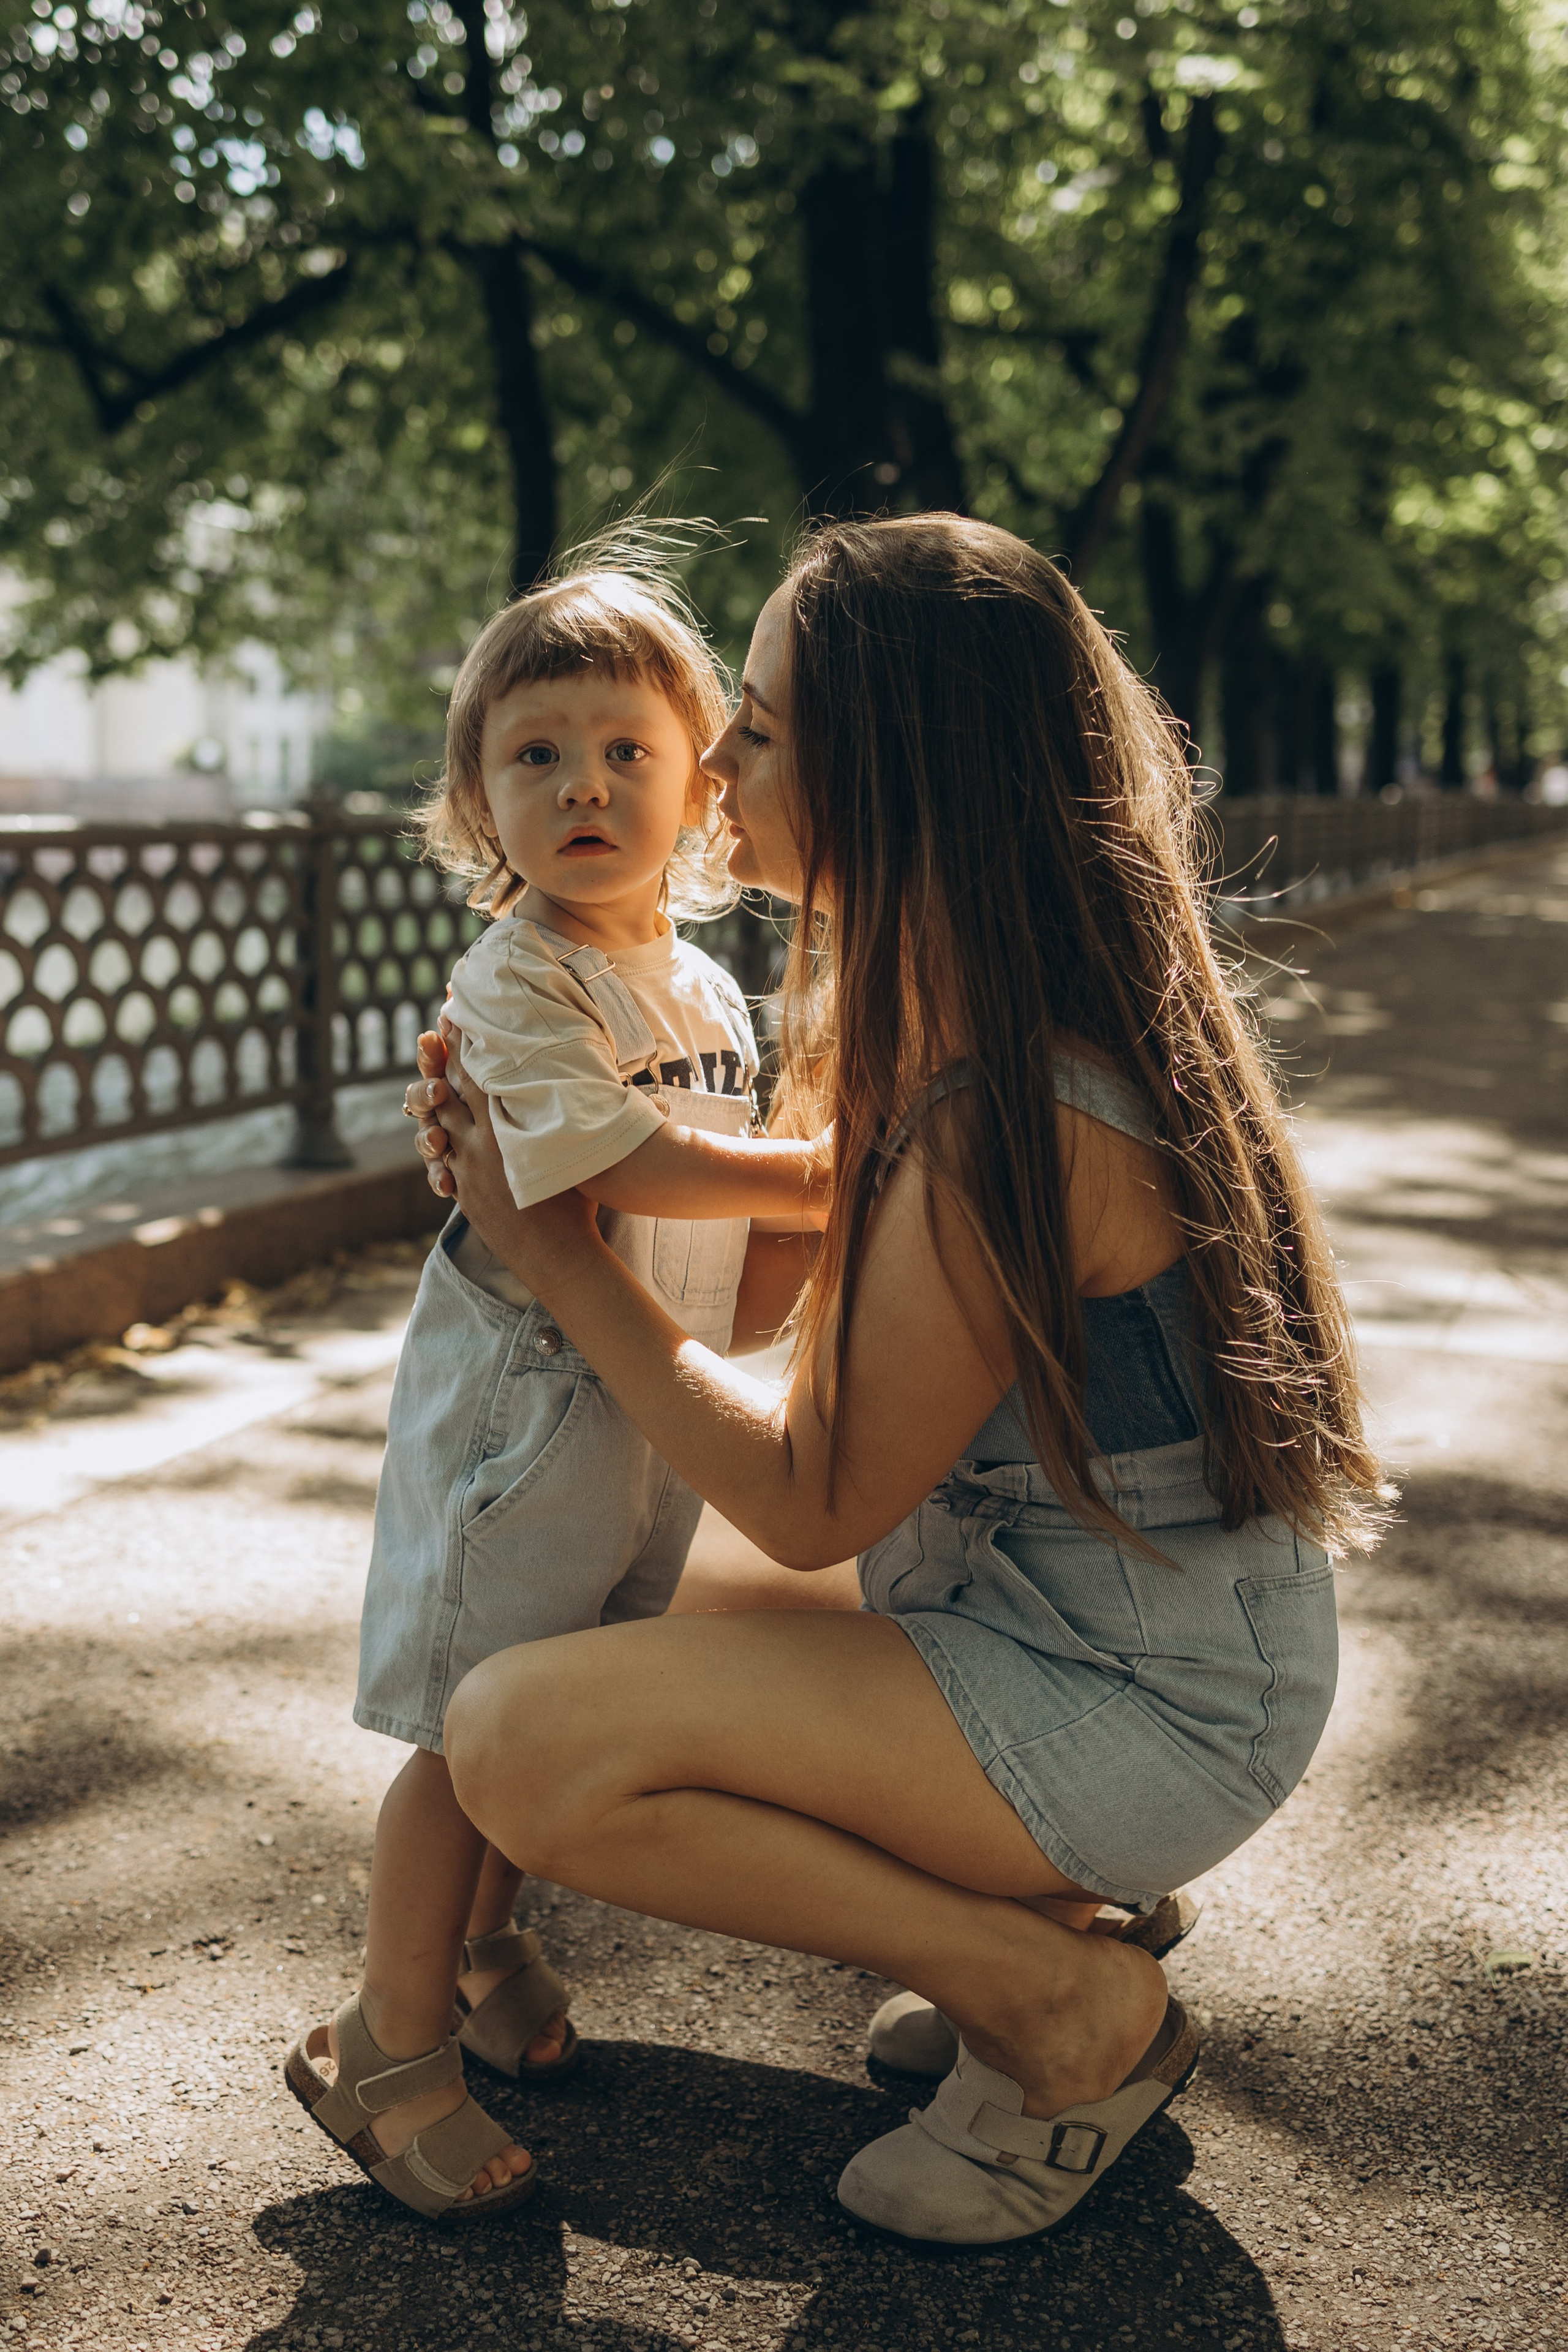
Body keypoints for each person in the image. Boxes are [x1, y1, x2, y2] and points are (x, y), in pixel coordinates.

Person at [414, 516, 1387, 2247]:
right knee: (581, 1616)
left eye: (765, 730)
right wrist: (573, 1162)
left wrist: (551, 1248)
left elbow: (810, 1495)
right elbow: (814, 1371)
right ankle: (1037, 1914)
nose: (712, 759)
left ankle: (1054, 2001)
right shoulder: (946, 1013)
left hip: (1148, 1702)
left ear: (899, 772)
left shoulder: (1010, 1112)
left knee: (520, 1743)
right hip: (1068, 1618)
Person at [286, 561, 827, 2223]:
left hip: (643, 1401)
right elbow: (620, 1157)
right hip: (526, 1414)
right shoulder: (513, 983)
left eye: (625, 751)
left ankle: (480, 1942)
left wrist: (800, 1247)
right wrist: (827, 1177)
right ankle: (387, 2041)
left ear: (702, 783)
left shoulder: (708, 985)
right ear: (477, 800)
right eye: (536, 757)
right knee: (468, 1731)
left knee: (557, 1702)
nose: (585, 786)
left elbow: (713, 1247)